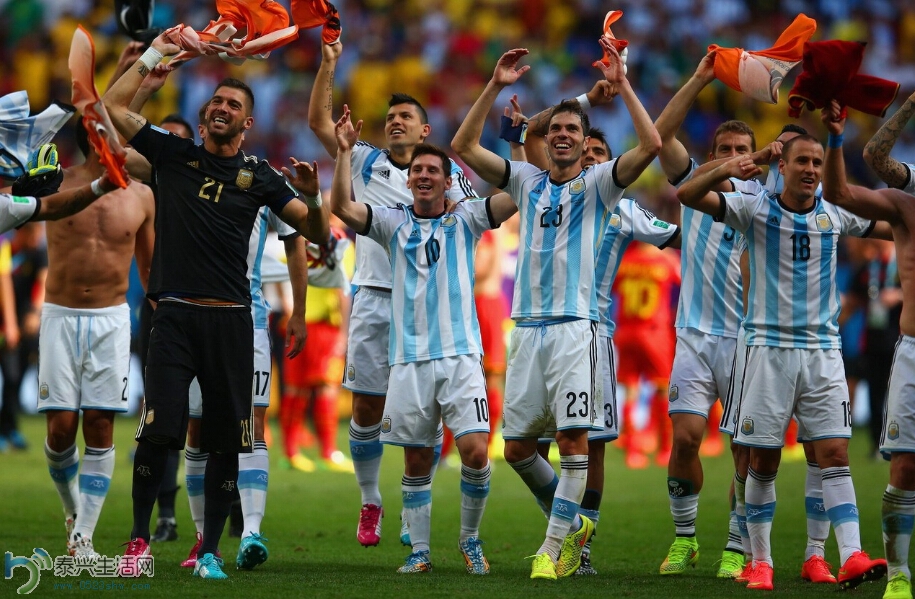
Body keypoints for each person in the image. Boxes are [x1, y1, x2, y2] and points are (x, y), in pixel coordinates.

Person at [103, 33, 323, 580]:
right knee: (159, 430)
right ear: (204, 116)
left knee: (227, 439)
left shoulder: (261, 176)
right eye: (217, 101)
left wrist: (315, 196)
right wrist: (153, 59)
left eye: (234, 104)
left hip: (231, 321)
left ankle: (209, 552)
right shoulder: (173, 155)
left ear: (248, 122)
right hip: (174, 316)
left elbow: (314, 231)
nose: (222, 107)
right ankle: (138, 540)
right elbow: (111, 110)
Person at [451, 41, 661, 580]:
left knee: (573, 442)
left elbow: (652, 144)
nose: (564, 135)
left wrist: (623, 85)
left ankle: (551, 550)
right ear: (545, 139)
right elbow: (463, 144)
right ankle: (575, 524)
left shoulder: (600, 185)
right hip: (526, 329)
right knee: (518, 448)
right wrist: (495, 86)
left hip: (574, 329)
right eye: (556, 129)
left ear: (586, 143)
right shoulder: (526, 181)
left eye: (574, 130)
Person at [677, 105, 888, 591]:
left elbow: (894, 223)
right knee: (763, 462)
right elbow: (686, 194)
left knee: (833, 453)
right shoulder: (753, 209)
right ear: (782, 166)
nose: (810, 169)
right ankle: (761, 561)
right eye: (801, 161)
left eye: (816, 162)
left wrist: (838, 140)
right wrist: (743, 162)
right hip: (767, 351)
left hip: (822, 352)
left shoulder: (835, 214)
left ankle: (850, 555)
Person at [331, 108, 516, 574]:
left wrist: (515, 142)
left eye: (433, 170)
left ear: (449, 181)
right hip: (409, 360)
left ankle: (470, 540)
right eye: (417, 171)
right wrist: (343, 153)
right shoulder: (391, 222)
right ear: (409, 181)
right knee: (415, 460)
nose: (424, 175)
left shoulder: (467, 217)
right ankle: (419, 552)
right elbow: (343, 209)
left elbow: (516, 195)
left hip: (460, 357)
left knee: (476, 451)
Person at [308, 39, 475, 547]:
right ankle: (370, 501)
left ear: (425, 130)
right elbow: (317, 122)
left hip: (427, 307)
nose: (395, 122)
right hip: (375, 296)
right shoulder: (362, 160)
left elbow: (473, 220)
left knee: (421, 415)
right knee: (365, 408)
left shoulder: (445, 174)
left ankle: (412, 509)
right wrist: (330, 62)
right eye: (390, 117)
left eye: (406, 116)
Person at [37, 118, 154, 560]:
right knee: (60, 429)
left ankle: (83, 536)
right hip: (60, 316)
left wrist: (163, 318)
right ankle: (72, 511)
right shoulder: (55, 183)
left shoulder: (142, 196)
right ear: (94, 138)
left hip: (112, 319)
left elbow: (149, 269)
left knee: (101, 425)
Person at [822, 100, 915, 599]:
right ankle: (899, 575)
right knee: (905, 468)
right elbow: (850, 182)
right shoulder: (907, 204)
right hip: (912, 351)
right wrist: (837, 137)